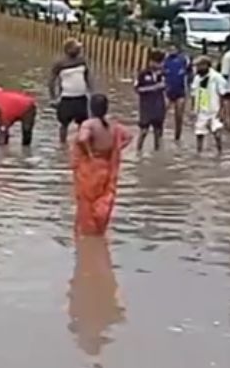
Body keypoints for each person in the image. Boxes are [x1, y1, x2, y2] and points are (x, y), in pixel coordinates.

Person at [72, 94, 132, 237]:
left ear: (91, 107)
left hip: (91, 169)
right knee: (102, 202)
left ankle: (87, 241)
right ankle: (98, 237)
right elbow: (129, 137)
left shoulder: (89, 124)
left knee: (87, 204)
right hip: (106, 167)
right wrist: (117, 148)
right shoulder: (113, 125)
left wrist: (89, 153)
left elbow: (82, 139)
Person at [50, 38, 93, 143]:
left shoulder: (82, 61)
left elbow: (87, 77)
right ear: (68, 49)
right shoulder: (60, 63)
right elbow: (51, 81)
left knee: (83, 124)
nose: (79, 50)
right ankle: (62, 146)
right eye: (76, 48)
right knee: (64, 124)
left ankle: (81, 144)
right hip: (66, 97)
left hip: (81, 97)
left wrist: (91, 92)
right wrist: (53, 98)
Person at [191, 57, 227, 154]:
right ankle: (199, 152)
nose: (197, 69)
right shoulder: (197, 78)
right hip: (201, 109)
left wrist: (222, 110)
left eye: (199, 66)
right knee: (199, 132)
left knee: (217, 132)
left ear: (206, 65)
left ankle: (220, 151)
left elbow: (222, 94)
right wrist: (193, 110)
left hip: (214, 109)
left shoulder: (217, 78)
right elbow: (194, 94)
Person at [134, 49, 166, 151]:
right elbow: (137, 89)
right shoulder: (143, 74)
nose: (158, 65)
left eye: (160, 62)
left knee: (158, 133)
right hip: (146, 108)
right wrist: (154, 87)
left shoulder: (163, 74)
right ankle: (138, 151)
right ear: (151, 61)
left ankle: (157, 153)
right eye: (156, 62)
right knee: (143, 131)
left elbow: (167, 89)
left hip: (159, 107)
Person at [162, 42, 191, 141]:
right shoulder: (165, 61)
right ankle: (159, 135)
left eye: (173, 49)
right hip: (167, 92)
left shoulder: (184, 60)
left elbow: (190, 74)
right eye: (170, 49)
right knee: (161, 114)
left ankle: (177, 137)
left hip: (180, 92)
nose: (171, 51)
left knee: (179, 117)